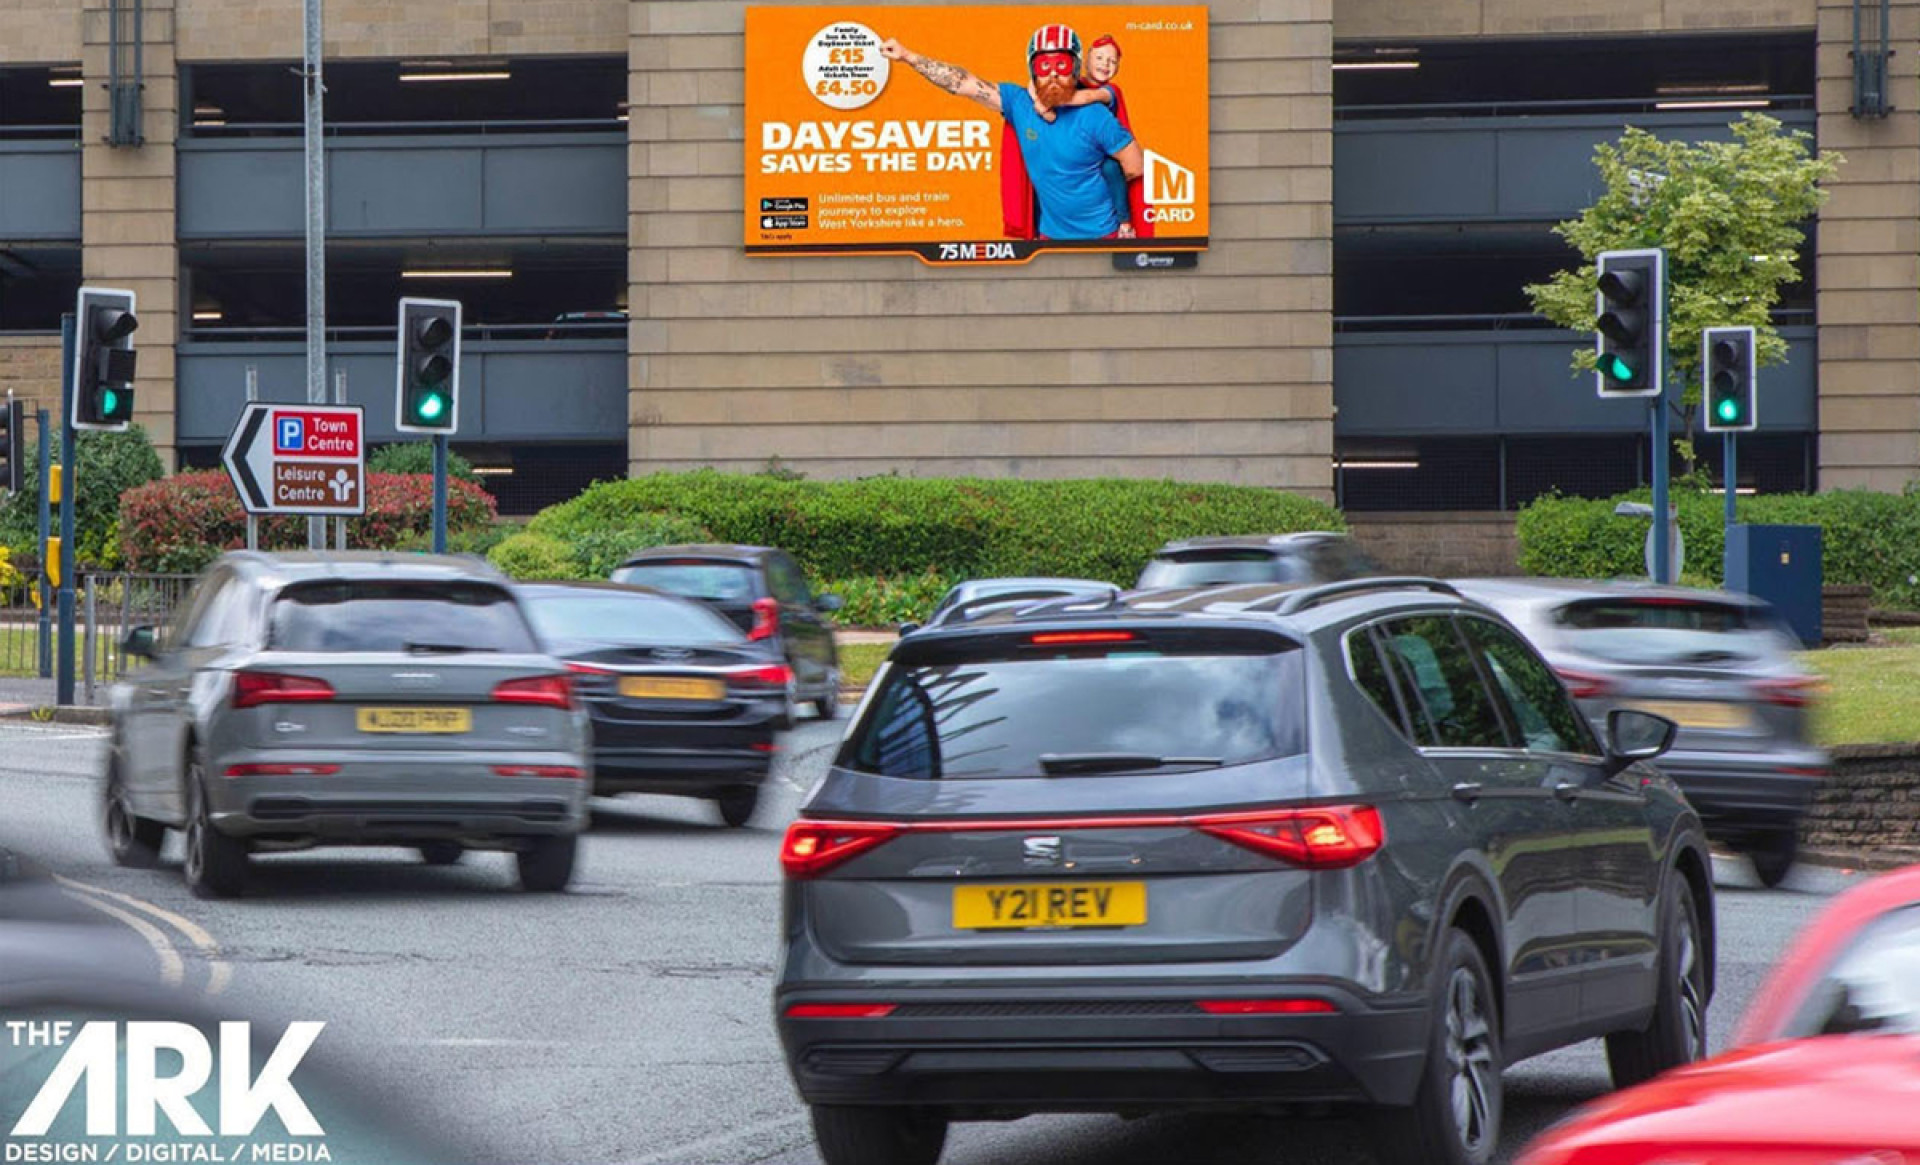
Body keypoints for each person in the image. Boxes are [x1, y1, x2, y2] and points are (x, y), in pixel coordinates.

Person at [880, 25, 1143, 240]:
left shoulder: (1094, 115)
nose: (1053, 74)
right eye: (1044, 66)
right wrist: (907, 56)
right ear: (1032, 71)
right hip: (1049, 238)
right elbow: (963, 83)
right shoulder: (1019, 104)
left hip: (1103, 236)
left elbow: (1135, 167)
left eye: (1061, 66)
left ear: (1074, 69)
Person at [1029, 35, 1148, 238]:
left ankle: (1124, 222)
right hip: (1071, 147)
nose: (1105, 64)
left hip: (1104, 152)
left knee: (1110, 170)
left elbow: (1085, 97)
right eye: (1100, 58)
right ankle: (1037, 228)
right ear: (1085, 61)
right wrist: (1038, 101)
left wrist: (1049, 101)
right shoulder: (1072, 79)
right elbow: (1032, 84)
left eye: (1112, 61)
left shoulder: (1109, 90)